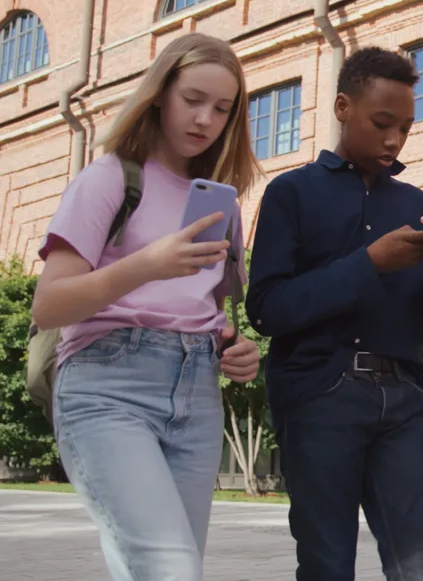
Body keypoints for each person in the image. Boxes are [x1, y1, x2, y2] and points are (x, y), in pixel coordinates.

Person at [31, 33, 264, 581]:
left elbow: (204, 307)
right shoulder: (111, 177)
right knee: (170, 566)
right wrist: (147, 264)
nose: (205, 118)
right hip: (108, 386)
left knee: (158, 568)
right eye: (193, 99)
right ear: (160, 93)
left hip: (196, 393)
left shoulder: (219, 204)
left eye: (222, 108)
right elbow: (48, 305)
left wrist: (238, 349)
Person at [246, 47, 423, 581]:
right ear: (343, 107)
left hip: (402, 397)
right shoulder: (290, 193)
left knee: (421, 566)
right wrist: (368, 264)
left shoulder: (415, 201)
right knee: (327, 564)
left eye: (406, 127)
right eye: (382, 123)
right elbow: (267, 309)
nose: (395, 140)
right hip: (319, 394)